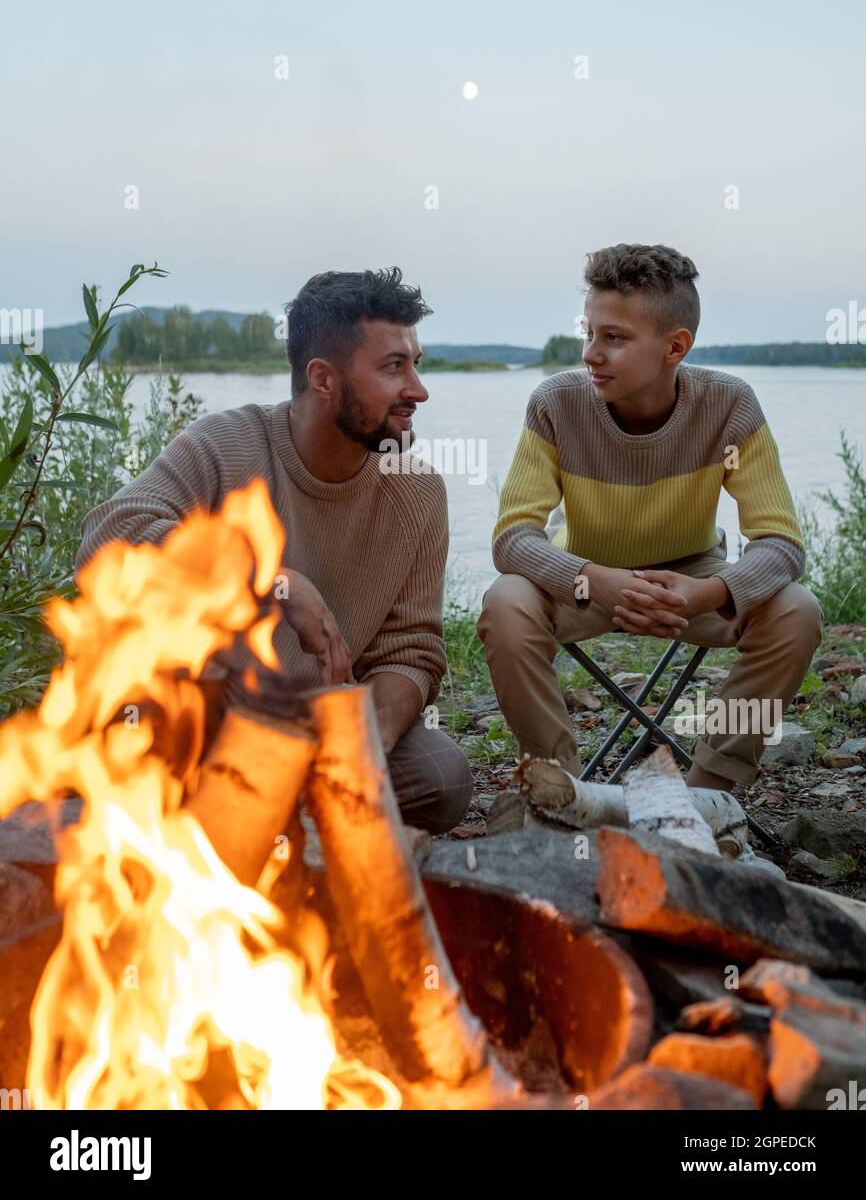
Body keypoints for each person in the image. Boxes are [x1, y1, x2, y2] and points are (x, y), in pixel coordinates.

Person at [76, 267, 473, 834]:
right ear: (323, 379)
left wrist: (369, 741)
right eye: (393, 367)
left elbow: (411, 649)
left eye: (416, 363)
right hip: (206, 717)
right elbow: (107, 538)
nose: (418, 389)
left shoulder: (416, 491)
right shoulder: (225, 446)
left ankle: (292, 816)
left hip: (316, 726)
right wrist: (269, 577)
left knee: (442, 775)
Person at [477, 243, 823, 793]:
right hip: (584, 580)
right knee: (506, 603)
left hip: (691, 580)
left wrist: (707, 593)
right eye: (589, 332)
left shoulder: (730, 406)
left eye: (614, 338)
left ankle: (712, 791)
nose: (591, 353)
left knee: (796, 610)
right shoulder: (555, 405)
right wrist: (595, 580)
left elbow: (780, 543)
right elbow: (514, 539)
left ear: (675, 346)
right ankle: (560, 789)